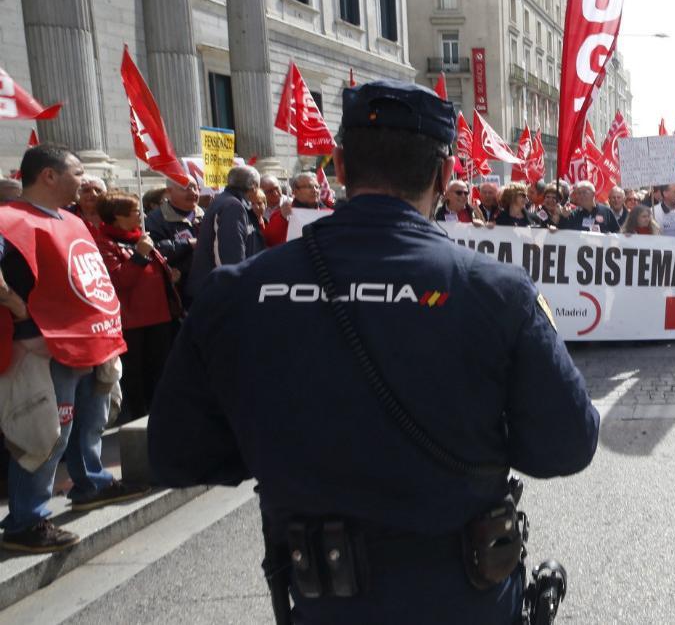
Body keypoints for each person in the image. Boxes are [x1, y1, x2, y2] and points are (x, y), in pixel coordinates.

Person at [149, 80, 598, 623]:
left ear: (339, 165)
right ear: (445, 174)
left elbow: (179, 451)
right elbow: (567, 445)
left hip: (322, 595)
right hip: (465, 595)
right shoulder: (496, 290)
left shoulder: (236, 291)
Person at [0, 145, 148, 554]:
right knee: (47, 434)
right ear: (48, 175)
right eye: (78, 172)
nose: (84, 180)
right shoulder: (9, 220)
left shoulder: (72, 220)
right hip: (42, 347)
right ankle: (25, 521)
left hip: (90, 341)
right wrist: (15, 305)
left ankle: (91, 483)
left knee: (91, 421)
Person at [95, 192, 181, 423]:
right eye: (135, 212)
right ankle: (139, 419)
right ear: (118, 216)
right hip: (132, 321)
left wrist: (167, 275)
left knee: (160, 370)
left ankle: (161, 415)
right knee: (136, 376)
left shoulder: (140, 238)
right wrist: (140, 256)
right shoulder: (105, 243)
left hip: (159, 316)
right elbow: (119, 281)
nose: (141, 215)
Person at [186, 165, 261, 299]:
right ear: (254, 186)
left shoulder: (226, 201)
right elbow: (231, 253)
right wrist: (236, 289)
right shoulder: (233, 207)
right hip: (220, 291)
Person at [145, 177, 204, 306]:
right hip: (178, 292)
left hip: (206, 286)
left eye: (195, 188)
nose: (192, 192)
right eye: (185, 188)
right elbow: (153, 250)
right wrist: (187, 244)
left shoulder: (207, 215)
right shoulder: (155, 219)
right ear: (169, 192)